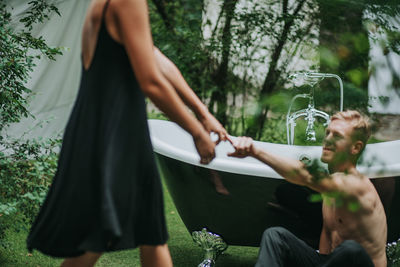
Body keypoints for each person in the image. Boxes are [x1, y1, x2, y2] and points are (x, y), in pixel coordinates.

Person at [27, 0, 230, 266]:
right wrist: (196, 132)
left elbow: (160, 63)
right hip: (113, 136)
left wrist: (204, 115)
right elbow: (151, 81)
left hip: (110, 133)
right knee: (110, 237)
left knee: (146, 234)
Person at [229, 110, 387, 267]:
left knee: (351, 249)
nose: (327, 140)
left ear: (355, 148)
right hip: (332, 262)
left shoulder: (356, 185)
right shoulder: (332, 186)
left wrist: (255, 151)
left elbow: (304, 175)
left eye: (337, 135)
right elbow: (328, 233)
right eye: (328, 133)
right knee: (275, 235)